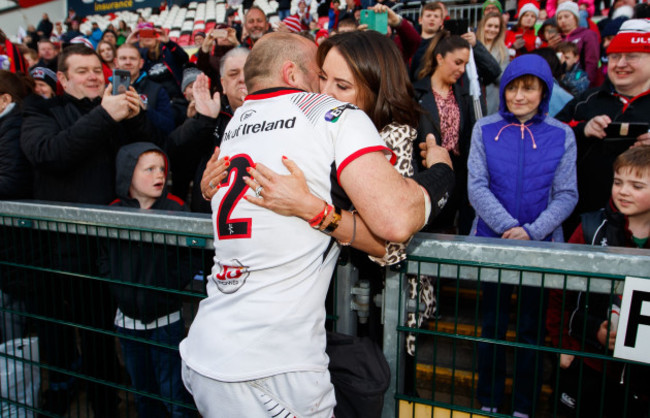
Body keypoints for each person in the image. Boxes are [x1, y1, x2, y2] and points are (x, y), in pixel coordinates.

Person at [180, 32, 450, 417]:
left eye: (338, 83)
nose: (323, 89)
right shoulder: (331, 116)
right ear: (292, 72)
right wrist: (443, 172)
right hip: (271, 366)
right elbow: (395, 221)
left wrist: (316, 210)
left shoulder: (240, 121)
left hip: (208, 347)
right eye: (320, 76)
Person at [20, 44, 165, 416]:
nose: (93, 76)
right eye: (81, 71)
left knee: (109, 333)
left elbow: (152, 149)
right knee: (79, 333)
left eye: (96, 70)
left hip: (116, 247)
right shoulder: (40, 111)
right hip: (66, 251)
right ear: (63, 79)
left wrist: (131, 116)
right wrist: (104, 114)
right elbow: (50, 153)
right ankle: (98, 402)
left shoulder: (114, 110)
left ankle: (113, 396)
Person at [468, 53, 578, 418]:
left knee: (531, 331)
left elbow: (566, 194)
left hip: (539, 249)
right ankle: (489, 399)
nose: (518, 96)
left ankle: (525, 407)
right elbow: (477, 187)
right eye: (512, 87)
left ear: (543, 91)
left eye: (528, 89)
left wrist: (531, 232)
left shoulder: (562, 134)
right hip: (492, 244)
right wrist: (507, 229)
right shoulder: (483, 128)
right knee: (492, 328)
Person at [546, 146, 650, 418]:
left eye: (636, 185)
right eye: (618, 182)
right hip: (590, 363)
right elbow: (561, 288)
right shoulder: (591, 229)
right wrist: (562, 344)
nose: (624, 191)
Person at [101, 142, 194, 418]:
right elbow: (103, 256)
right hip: (127, 323)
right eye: (150, 169)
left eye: (162, 169)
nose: (159, 175)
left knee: (174, 394)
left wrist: (168, 285)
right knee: (143, 393)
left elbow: (190, 256)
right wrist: (118, 286)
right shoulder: (112, 211)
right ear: (128, 173)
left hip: (166, 321)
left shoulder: (176, 208)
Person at [555, 18, 650, 237]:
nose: (620, 64)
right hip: (583, 223)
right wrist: (582, 130)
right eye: (615, 56)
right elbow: (546, 136)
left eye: (631, 56)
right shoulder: (588, 99)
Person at [170, 48, 249, 213]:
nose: (242, 79)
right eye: (233, 74)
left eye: (248, 72)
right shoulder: (212, 114)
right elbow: (175, 150)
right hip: (212, 215)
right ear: (223, 85)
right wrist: (204, 120)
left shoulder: (279, 111)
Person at [415, 32, 475, 234]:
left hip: (455, 180)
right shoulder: (415, 94)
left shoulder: (465, 97)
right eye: (458, 62)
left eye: (465, 64)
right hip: (425, 177)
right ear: (439, 58)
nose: (462, 69)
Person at [0, 70, 34, 343]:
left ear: (4, 100)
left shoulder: (11, 128)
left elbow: (11, 182)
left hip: (14, 238)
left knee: (12, 308)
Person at [115, 43, 175, 134]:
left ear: (141, 63)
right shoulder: (106, 91)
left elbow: (169, 126)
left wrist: (145, 108)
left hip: (148, 145)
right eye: (123, 58)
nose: (128, 62)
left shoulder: (157, 90)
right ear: (116, 62)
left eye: (133, 58)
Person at [556, 1, 600, 87]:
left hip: (582, 84)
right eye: (559, 18)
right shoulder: (558, 39)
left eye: (566, 16)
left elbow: (592, 62)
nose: (563, 20)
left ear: (575, 18)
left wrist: (587, 84)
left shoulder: (588, 35)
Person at [476, 11, 509, 115]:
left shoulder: (503, 51)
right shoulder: (473, 46)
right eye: (489, 25)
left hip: (493, 99)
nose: (492, 30)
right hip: (475, 96)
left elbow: (502, 78)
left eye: (496, 27)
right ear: (482, 26)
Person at [410, 1, 445, 81]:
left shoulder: (445, 43)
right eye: (428, 16)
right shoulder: (412, 41)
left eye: (436, 16)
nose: (432, 19)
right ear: (420, 20)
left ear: (441, 22)